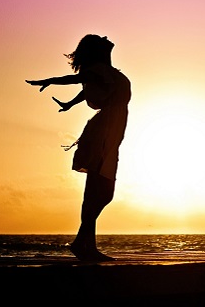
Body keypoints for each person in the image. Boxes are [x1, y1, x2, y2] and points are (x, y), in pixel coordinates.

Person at [26, 35, 131, 261]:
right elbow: (77, 80)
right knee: (98, 190)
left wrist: (70, 104)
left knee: (101, 192)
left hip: (109, 133)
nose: (106, 37)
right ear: (97, 49)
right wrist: (51, 80)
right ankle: (84, 245)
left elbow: (87, 88)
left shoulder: (106, 73)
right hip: (103, 133)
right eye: (101, 39)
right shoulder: (99, 70)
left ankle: (82, 243)